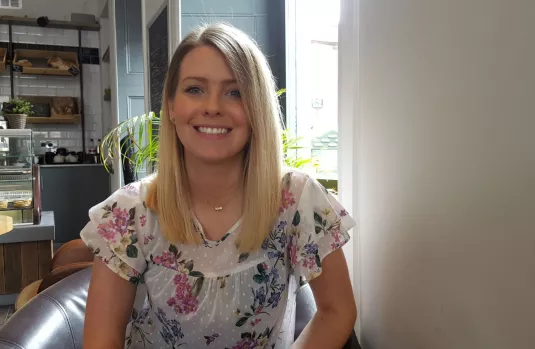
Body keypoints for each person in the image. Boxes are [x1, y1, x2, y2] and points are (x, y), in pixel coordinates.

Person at [80, 23, 356, 349]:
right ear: (170, 106)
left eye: (235, 92)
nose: (212, 106)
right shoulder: (127, 213)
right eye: (195, 89)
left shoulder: (298, 200)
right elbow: (102, 340)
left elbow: (338, 311)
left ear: (257, 109)